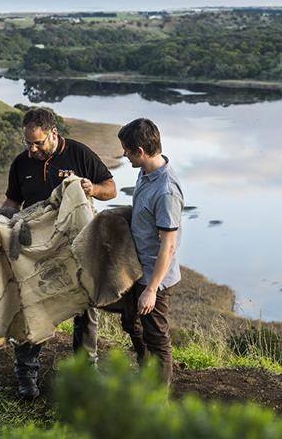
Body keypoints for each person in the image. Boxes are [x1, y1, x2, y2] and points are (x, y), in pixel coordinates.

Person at [0, 107, 116, 398]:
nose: (32, 149)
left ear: (54, 133)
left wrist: (92, 188)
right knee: (32, 304)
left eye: (38, 143)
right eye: (28, 143)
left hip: (76, 246)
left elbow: (111, 188)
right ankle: (26, 373)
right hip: (37, 249)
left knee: (85, 303)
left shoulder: (78, 153)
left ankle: (85, 371)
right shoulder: (21, 163)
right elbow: (12, 202)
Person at [117, 118, 183, 385]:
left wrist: (152, 290)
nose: (124, 154)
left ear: (140, 151)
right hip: (137, 268)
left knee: (157, 339)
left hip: (155, 276)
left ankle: (157, 399)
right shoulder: (145, 173)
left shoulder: (166, 192)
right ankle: (147, 374)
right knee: (130, 322)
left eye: (127, 150)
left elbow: (169, 245)